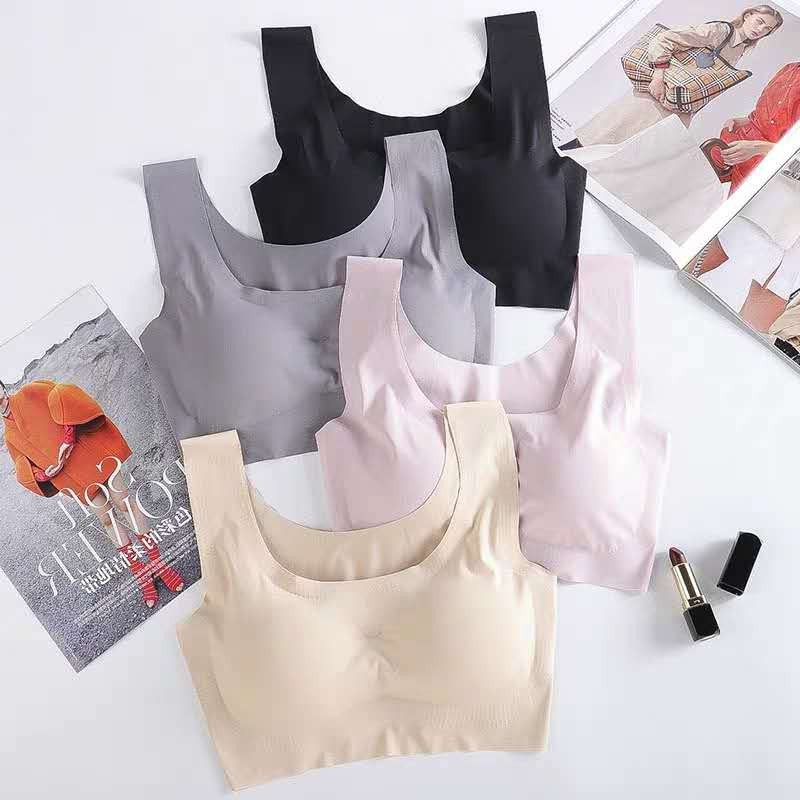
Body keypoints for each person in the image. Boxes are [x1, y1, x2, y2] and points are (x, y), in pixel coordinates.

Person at [1, 378, 184, 608]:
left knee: (123, 503)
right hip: (70, 474)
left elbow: (65, 396)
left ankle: (159, 563)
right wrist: (44, 474)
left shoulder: (30, 392)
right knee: (106, 519)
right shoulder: (10, 436)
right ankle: (141, 573)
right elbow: (23, 466)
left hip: (91, 452)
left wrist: (68, 439)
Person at [562, 6, 783, 149]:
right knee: (598, 141)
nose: (761, 29)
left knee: (620, 152)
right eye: (759, 21)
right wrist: (658, 76)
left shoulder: (740, 48)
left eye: (767, 29)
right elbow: (664, 39)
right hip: (654, 98)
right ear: (747, 15)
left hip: (674, 107)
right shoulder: (720, 31)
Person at [713, 62, 800, 192]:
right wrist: (743, 121)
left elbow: (796, 161)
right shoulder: (790, 68)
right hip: (744, 145)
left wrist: (757, 148)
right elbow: (768, 112)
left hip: (771, 165)